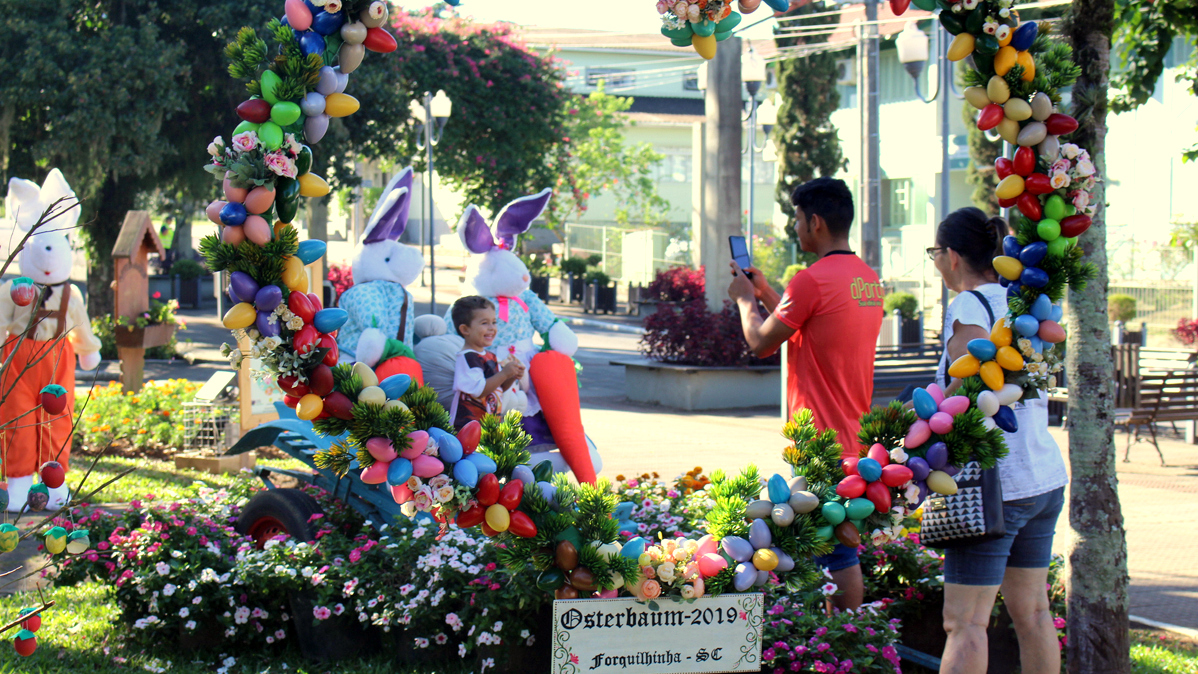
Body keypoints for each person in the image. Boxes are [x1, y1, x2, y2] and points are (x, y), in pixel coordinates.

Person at [727, 177, 884, 610]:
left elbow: (761, 342)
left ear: (814, 222)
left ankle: (841, 641)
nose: (794, 229)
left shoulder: (811, 281)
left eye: (796, 219)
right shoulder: (868, 280)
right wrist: (765, 292)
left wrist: (745, 300)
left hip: (818, 441)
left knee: (835, 553)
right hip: (855, 435)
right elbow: (812, 328)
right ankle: (844, 637)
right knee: (839, 545)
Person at [929, 207, 1068, 674]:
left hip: (992, 487)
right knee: (1033, 613)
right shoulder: (1024, 299)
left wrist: (907, 422)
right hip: (1043, 477)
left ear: (951, 256)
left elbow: (969, 391)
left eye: (934, 254)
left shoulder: (970, 304)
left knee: (964, 623)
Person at [448, 296, 524, 430]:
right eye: (484, 323)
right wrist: (505, 373)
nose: (492, 328)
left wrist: (512, 376)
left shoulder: (490, 356)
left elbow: (498, 387)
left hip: (488, 425)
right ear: (465, 329)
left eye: (494, 322)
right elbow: (479, 391)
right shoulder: (467, 358)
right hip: (466, 427)